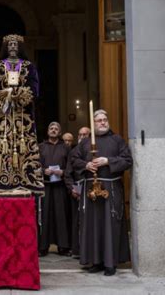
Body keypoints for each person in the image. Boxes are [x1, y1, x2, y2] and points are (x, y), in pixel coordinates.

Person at [0, 34, 44, 196]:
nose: (13, 47)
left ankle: (25, 179)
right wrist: (4, 96)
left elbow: (34, 89)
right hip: (3, 116)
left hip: (23, 117)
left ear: (20, 47)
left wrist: (18, 95)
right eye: (10, 44)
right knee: (0, 145)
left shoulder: (29, 67)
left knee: (25, 145)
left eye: (15, 45)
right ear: (6, 47)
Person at [71, 110, 132, 276]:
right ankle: (96, 261)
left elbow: (127, 160)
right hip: (90, 192)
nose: (103, 123)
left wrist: (108, 161)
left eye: (105, 119)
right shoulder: (84, 144)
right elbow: (74, 160)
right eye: (99, 121)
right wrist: (86, 165)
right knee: (93, 225)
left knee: (110, 226)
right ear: (94, 123)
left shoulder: (117, 140)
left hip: (111, 191)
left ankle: (110, 263)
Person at [38, 122, 71, 256]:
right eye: (51, 128)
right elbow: (33, 165)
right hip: (45, 186)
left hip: (60, 187)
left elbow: (70, 166)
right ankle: (43, 247)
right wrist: (42, 171)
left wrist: (63, 172)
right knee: (44, 216)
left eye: (56, 129)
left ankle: (63, 246)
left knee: (61, 216)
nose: (53, 130)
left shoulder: (66, 148)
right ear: (47, 131)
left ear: (60, 132)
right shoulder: (40, 147)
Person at [64, 126, 90, 259]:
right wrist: (72, 188)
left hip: (91, 189)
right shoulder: (73, 151)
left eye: (85, 135)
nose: (82, 137)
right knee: (76, 221)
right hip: (77, 189)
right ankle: (77, 250)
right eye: (80, 135)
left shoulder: (94, 149)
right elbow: (68, 173)